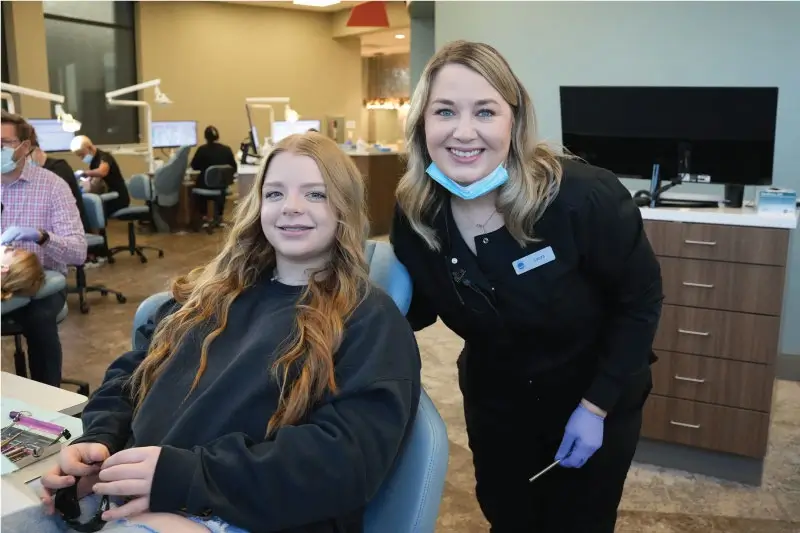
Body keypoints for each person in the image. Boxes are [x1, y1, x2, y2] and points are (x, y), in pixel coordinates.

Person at [2, 132, 422, 533]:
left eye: (315, 193)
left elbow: (344, 463)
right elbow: (130, 377)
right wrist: (100, 442)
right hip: (137, 493)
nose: (291, 207)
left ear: (344, 206)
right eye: (274, 193)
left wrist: (186, 478)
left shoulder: (369, 321)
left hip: (246, 514)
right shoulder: (208, 296)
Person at [390, 41, 663, 533]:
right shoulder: (418, 215)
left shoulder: (582, 197)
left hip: (594, 396)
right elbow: (420, 306)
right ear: (422, 125)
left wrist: (596, 407)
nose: (463, 131)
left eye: (485, 111)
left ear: (513, 122)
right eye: (445, 111)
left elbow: (639, 304)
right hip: (497, 405)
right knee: (508, 517)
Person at [1, 111, 87, 387]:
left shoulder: (53, 187)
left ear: (24, 147)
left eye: (4, 142)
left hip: (44, 279)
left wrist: (41, 237)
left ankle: (50, 402)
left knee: (38, 321)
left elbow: (78, 252)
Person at [30, 143, 91, 232]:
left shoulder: (59, 167)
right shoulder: (38, 170)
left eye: (26, 156)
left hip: (70, 227)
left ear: (37, 151)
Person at [70, 135, 130, 216]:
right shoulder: (94, 162)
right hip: (107, 196)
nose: (81, 158)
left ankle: (98, 228)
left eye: (82, 155)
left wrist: (84, 173)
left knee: (89, 213)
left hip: (118, 198)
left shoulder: (104, 157)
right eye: (79, 156)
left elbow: (102, 172)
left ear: (90, 148)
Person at [189, 125, 237, 224]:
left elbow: (194, 166)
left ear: (205, 137)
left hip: (205, 186)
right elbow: (234, 167)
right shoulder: (226, 149)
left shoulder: (202, 150)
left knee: (193, 188)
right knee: (220, 186)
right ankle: (219, 215)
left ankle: (203, 215)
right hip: (222, 187)